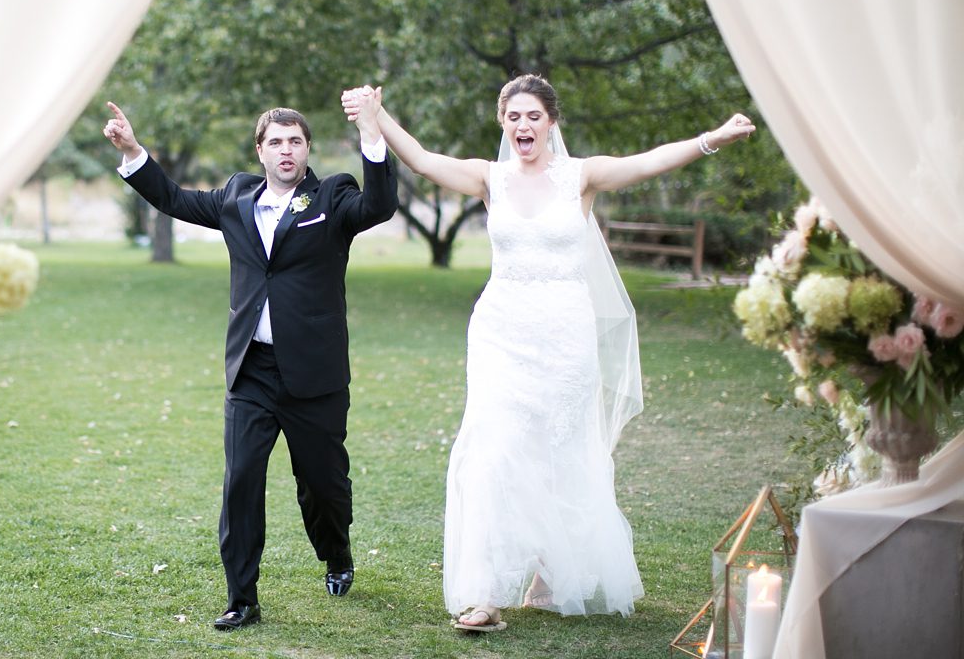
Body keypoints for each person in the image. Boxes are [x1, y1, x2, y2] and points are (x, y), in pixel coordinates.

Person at [341, 76, 754, 632]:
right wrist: (377, 114)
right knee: (490, 452)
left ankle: (550, 572)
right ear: (503, 125)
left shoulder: (580, 176)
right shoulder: (490, 178)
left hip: (565, 336)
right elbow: (421, 159)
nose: (522, 126)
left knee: (559, 454)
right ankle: (483, 594)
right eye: (513, 118)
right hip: (499, 334)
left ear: (551, 122)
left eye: (533, 116)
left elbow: (649, 161)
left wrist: (713, 139)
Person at [102, 100, 398, 631]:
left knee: (323, 485)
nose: (286, 151)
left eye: (296, 142)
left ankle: (337, 554)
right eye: (276, 142)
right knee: (240, 480)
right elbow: (173, 198)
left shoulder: (334, 195)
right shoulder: (236, 197)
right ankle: (242, 597)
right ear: (260, 150)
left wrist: (372, 133)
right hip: (252, 372)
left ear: (307, 150)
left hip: (314, 375)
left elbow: (379, 206)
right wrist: (133, 152)